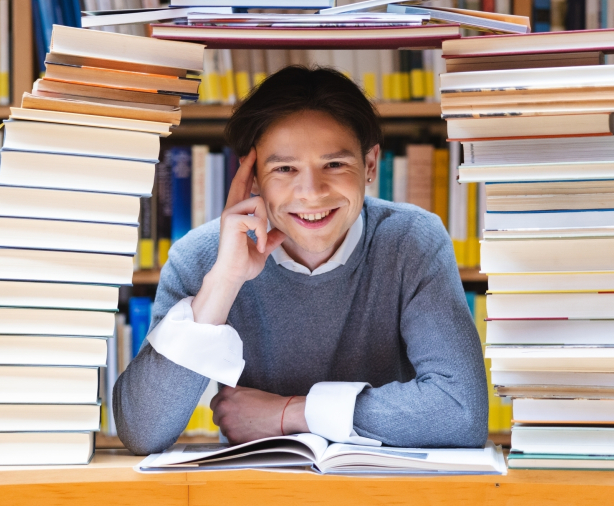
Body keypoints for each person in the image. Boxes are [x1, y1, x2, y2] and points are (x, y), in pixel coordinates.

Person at [113, 66, 488, 455]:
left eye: (335, 165)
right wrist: (224, 281)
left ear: (371, 164)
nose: (310, 193)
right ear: (253, 176)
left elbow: (462, 412)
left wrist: (292, 413)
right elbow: (142, 431)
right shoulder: (203, 257)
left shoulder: (411, 242)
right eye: (284, 169)